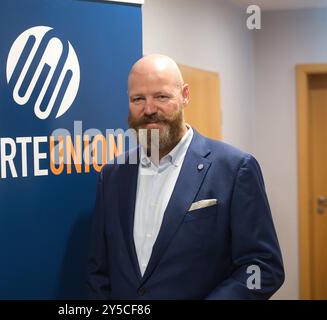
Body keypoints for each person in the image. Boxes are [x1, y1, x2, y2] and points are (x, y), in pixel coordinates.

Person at [86, 54, 285, 299]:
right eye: (138, 99)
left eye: (161, 96)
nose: (149, 109)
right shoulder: (113, 175)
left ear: (185, 95)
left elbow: (263, 266)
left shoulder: (234, 169)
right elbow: (99, 270)